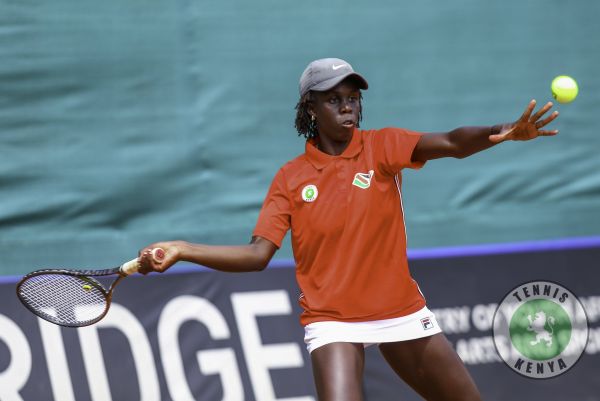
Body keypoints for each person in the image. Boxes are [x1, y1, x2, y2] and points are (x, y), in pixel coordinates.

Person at [138, 58, 559, 401]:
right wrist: (181, 249)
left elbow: (451, 142)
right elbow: (256, 256)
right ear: (310, 109)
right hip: (333, 321)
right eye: (335, 99)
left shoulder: (382, 147)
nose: (348, 107)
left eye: (353, 99)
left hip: (401, 313)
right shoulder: (290, 178)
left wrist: (498, 133)